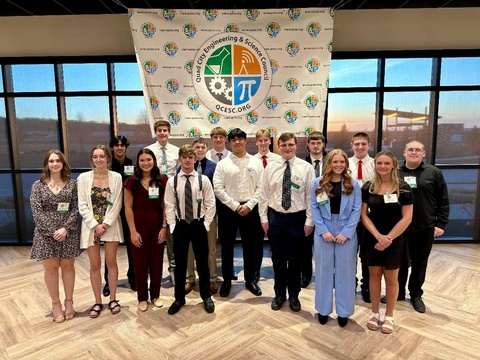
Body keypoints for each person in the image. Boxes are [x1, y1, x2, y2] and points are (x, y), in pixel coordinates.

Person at [259, 132, 315, 312]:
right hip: (276, 218)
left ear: (296, 146)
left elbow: (310, 196)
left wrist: (309, 221)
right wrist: (264, 218)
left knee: (295, 260)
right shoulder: (270, 168)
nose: (287, 148)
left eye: (290, 144)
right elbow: (263, 194)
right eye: (283, 145)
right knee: (278, 259)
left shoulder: (306, 168)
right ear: (279, 147)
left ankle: (294, 296)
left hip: (297, 219)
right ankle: (279, 294)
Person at [361, 150, 413, 334]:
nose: (382, 166)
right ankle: (374, 313)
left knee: (391, 278)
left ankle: (389, 316)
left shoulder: (404, 188)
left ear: (393, 165)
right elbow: (363, 216)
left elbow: (406, 218)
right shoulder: (368, 187)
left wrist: (388, 238)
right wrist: (378, 236)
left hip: (395, 239)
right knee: (373, 275)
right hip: (373, 238)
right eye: (379, 163)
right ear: (375, 165)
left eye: (386, 163)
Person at [310, 149, 361, 327]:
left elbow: (356, 210)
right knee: (323, 272)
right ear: (329, 163)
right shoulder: (318, 183)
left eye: (342, 162)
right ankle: (323, 310)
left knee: (345, 273)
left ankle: (344, 311)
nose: (338, 165)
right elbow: (314, 208)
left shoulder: (352, 184)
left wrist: (346, 232)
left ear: (346, 164)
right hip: (324, 230)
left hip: (346, 229)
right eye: (335, 162)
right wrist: (323, 230)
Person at [397, 140, 449, 313]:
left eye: (417, 150)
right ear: (404, 153)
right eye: (410, 149)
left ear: (423, 153)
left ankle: (416, 295)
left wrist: (440, 223)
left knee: (420, 263)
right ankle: (397, 293)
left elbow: (443, 199)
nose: (413, 152)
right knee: (400, 262)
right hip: (400, 227)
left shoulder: (433, 172)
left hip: (424, 226)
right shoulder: (395, 172)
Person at [30, 149, 82, 323]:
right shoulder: (38, 185)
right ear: (47, 164)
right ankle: (56, 304)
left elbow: (76, 208)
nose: (54, 164)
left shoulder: (73, 184)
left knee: (68, 267)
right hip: (46, 235)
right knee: (51, 269)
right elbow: (37, 212)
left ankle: (69, 302)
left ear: (63, 163)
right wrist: (53, 231)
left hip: (69, 232)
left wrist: (65, 229)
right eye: (51, 161)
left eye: (57, 161)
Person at [165, 145, 216, 314]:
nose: (187, 160)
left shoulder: (204, 180)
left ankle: (206, 296)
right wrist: (172, 226)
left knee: (202, 262)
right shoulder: (172, 181)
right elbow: (169, 206)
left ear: (195, 159)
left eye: (190, 157)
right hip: (180, 225)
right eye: (184, 157)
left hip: (198, 224)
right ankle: (179, 298)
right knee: (180, 264)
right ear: (179, 159)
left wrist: (206, 224)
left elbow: (210, 204)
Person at [213, 128, 264, 297]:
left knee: (250, 246)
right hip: (228, 210)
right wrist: (235, 206)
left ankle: (250, 280)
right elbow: (218, 188)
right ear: (229, 142)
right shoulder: (223, 164)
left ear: (245, 141)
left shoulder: (255, 163)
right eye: (233, 139)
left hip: (250, 209)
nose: (237, 142)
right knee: (227, 246)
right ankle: (227, 280)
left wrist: (249, 205)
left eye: (240, 139)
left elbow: (261, 187)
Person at [78, 145, 124, 318]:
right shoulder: (83, 178)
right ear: (92, 159)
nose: (99, 160)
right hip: (91, 227)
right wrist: (94, 224)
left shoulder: (116, 177)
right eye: (95, 157)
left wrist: (105, 224)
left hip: (109, 226)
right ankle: (97, 301)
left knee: (111, 263)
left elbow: (117, 202)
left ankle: (113, 299)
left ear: (107, 159)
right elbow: (82, 204)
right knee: (95, 265)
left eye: (102, 157)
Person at [124, 148, 168, 311]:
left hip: (157, 228)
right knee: (139, 264)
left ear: (154, 161)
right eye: (142, 160)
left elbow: (166, 205)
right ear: (138, 162)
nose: (145, 163)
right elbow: (127, 207)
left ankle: (155, 295)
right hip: (138, 228)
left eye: (148, 159)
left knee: (156, 263)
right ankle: (142, 297)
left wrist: (164, 227)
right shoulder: (131, 180)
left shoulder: (162, 179)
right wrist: (133, 231)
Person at [146, 120, 179, 285]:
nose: (162, 133)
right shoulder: (149, 151)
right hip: (154, 194)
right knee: (154, 234)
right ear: (155, 132)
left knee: (171, 234)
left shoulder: (176, 151)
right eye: (159, 130)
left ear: (169, 132)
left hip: (172, 195)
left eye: (165, 130)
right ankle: (153, 270)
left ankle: (173, 268)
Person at [102, 135, 135, 298]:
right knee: (110, 246)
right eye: (117, 145)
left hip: (129, 209)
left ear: (126, 148)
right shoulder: (107, 167)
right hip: (111, 209)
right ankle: (108, 281)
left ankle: (133, 277)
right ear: (112, 148)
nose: (120, 148)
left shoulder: (132, 165)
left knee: (132, 244)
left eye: (122, 145)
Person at [184, 138, 218, 295]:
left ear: (206, 149)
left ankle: (211, 278)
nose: (199, 150)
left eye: (202, 147)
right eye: (196, 147)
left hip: (208, 214)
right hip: (190, 214)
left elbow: (215, 191)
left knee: (210, 247)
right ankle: (190, 278)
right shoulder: (183, 167)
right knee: (190, 247)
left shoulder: (213, 167)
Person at [348, 132, 375, 303]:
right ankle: (350, 284)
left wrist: (364, 213)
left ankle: (366, 286)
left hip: (369, 218)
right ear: (351, 145)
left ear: (369, 145)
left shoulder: (375, 165)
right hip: (348, 218)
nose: (360, 147)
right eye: (356, 144)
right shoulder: (345, 164)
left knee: (366, 254)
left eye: (363, 144)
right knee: (349, 253)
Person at [301, 131, 327, 288]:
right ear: (308, 145)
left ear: (323, 145)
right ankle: (306, 274)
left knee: (326, 245)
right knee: (305, 245)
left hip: (328, 211)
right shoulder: (301, 163)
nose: (316, 146)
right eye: (313, 143)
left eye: (319, 143)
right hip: (306, 210)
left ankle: (326, 276)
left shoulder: (332, 163)